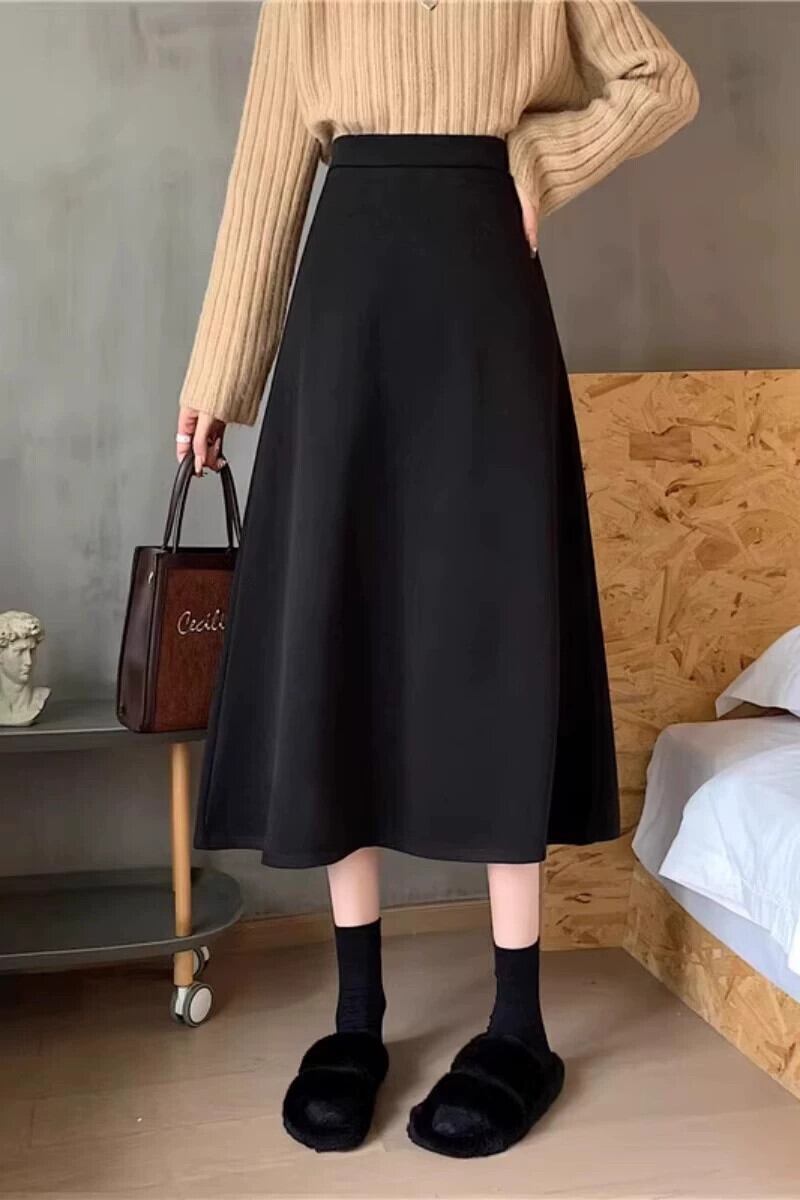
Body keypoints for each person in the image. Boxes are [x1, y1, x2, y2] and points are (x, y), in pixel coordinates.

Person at [175, 0, 700, 1159]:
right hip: (345, 307)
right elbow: (269, 164)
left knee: (496, 625)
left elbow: (659, 82)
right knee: (341, 626)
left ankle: (518, 1025)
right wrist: (218, 374)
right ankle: (354, 1017)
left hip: (480, 300)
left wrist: (539, 159)